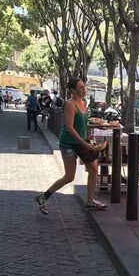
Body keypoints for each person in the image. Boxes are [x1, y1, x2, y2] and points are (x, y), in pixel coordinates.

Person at [36, 78, 106, 214]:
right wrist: (85, 144)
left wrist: (94, 131)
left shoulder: (83, 103)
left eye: (84, 87)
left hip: (80, 140)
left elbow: (82, 123)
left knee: (93, 168)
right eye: (80, 87)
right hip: (68, 142)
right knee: (69, 177)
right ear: (73, 90)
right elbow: (69, 127)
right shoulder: (70, 104)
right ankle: (43, 197)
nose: (84, 89)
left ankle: (90, 201)